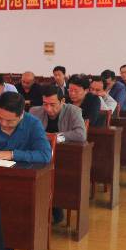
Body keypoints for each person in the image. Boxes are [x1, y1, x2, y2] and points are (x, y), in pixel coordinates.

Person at [29, 85, 86, 224]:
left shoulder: (73, 111)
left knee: (60, 176)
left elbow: (81, 134)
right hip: (40, 155)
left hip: (64, 156)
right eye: (45, 104)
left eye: (52, 104)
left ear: (62, 101)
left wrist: (55, 137)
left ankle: (56, 208)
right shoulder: (34, 111)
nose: (48, 109)